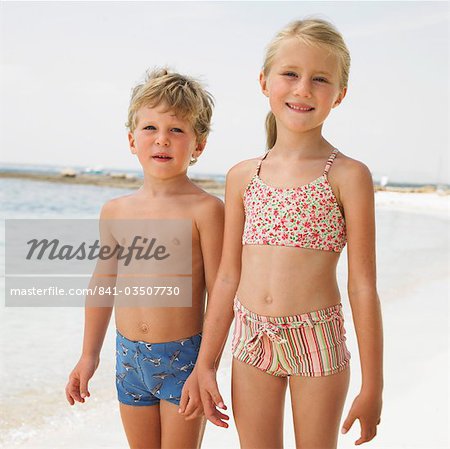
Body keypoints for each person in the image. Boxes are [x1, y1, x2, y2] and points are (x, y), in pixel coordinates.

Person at [193, 18, 383, 448]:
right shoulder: (243, 176)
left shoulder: (348, 175)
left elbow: (363, 286)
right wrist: (206, 363)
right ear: (264, 82)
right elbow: (226, 277)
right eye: (290, 74)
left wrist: (373, 386)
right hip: (251, 338)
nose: (302, 89)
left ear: (340, 95)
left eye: (320, 79)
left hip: (316, 337)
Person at [65, 68, 224, 449]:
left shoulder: (206, 211)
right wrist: (89, 355)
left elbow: (222, 293)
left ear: (198, 145)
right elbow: (102, 284)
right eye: (150, 128)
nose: (162, 140)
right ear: (132, 140)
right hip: (128, 357)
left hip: (183, 359)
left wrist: (207, 367)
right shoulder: (116, 211)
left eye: (177, 130)